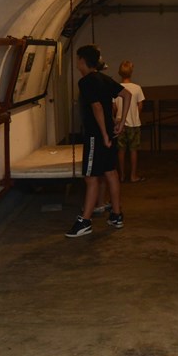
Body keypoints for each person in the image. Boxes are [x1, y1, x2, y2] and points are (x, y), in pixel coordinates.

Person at [65, 44, 131, 238]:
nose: (77, 63)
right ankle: (116, 215)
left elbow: (97, 108)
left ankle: (85, 221)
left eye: (78, 60)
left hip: (96, 135)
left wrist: (103, 135)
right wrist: (121, 123)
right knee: (110, 172)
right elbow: (126, 95)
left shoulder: (85, 82)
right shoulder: (104, 78)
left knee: (91, 177)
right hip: (109, 132)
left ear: (82, 61)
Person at [115, 60, 146, 182]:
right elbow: (140, 106)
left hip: (120, 124)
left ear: (119, 73)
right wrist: (135, 116)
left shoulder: (116, 88)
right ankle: (133, 175)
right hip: (134, 123)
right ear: (131, 72)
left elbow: (114, 107)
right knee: (133, 150)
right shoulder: (137, 88)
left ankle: (121, 175)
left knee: (121, 150)